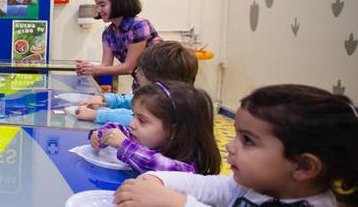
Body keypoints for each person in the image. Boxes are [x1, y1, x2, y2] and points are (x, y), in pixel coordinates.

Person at [113, 84, 358, 207]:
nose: (230, 146)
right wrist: (159, 180)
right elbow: (212, 186)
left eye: (247, 140)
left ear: (304, 166)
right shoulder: (259, 185)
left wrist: (175, 202)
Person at [89, 81, 220, 175]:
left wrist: (124, 145)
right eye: (134, 116)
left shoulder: (188, 168)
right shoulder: (149, 138)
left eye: (142, 120)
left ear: (174, 131)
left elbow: (159, 165)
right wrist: (103, 134)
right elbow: (122, 131)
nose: (131, 124)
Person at [75, 41, 198, 125]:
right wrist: (105, 99)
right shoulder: (164, 96)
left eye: (141, 70)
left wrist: (97, 115)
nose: (136, 73)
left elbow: (133, 118)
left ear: (157, 80)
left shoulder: (169, 106)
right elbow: (133, 99)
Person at [76, 0, 161, 85]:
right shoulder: (108, 33)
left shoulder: (139, 25)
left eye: (102, 5)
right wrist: (88, 67)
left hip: (162, 82)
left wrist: (95, 69)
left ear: (118, 3)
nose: (98, 10)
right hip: (141, 81)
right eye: (97, 5)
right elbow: (106, 65)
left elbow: (129, 67)